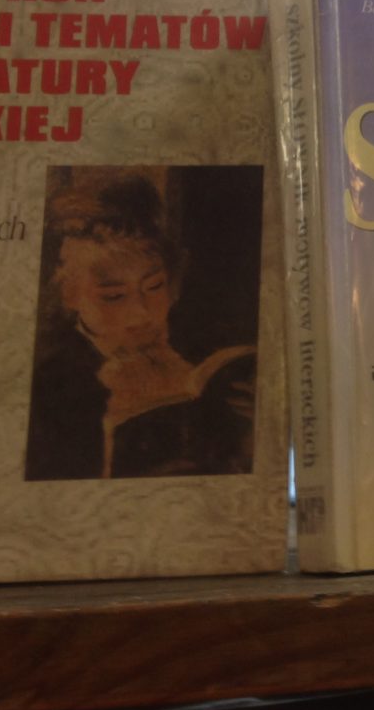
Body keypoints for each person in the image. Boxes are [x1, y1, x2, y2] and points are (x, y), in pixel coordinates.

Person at [25, 170, 255, 480]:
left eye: (154, 286)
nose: (141, 314)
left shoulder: (198, 351)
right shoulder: (52, 386)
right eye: (114, 296)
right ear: (70, 293)